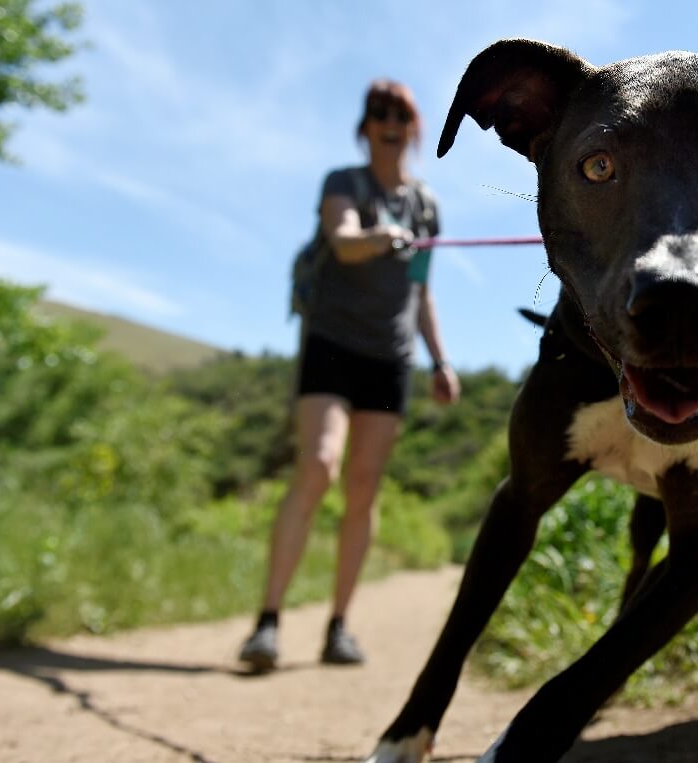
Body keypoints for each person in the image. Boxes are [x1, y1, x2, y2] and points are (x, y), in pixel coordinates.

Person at [238, 79, 461, 670]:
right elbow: (341, 242)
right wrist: (379, 237)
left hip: (390, 358)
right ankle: (268, 622)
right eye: (378, 113)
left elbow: (422, 292)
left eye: (401, 114)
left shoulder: (427, 206)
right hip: (332, 344)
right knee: (317, 466)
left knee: (363, 490)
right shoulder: (343, 183)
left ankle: (339, 626)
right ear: (364, 128)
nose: (389, 122)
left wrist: (439, 361)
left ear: (412, 128)